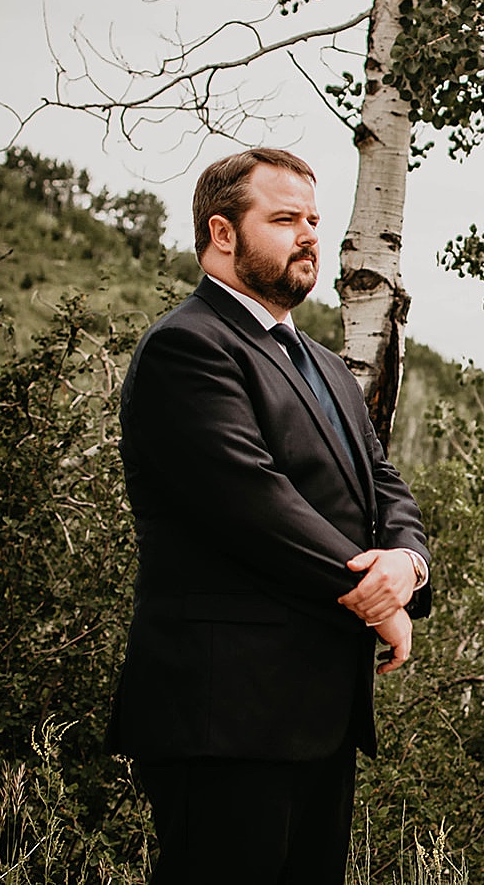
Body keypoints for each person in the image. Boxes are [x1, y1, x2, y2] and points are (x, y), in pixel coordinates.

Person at [106, 148, 433, 885]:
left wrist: (406, 566)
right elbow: (251, 501)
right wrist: (374, 596)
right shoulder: (186, 346)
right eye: (284, 219)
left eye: (314, 220)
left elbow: (386, 487)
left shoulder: (322, 364)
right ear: (223, 234)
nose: (309, 235)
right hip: (223, 712)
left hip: (320, 713)